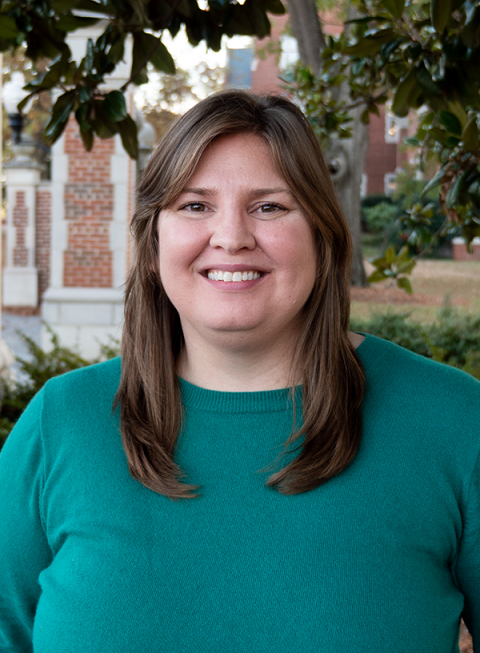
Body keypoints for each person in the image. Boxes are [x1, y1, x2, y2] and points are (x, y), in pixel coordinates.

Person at [0, 90, 479, 653]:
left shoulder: (453, 422)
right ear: (154, 240)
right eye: (195, 205)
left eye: (269, 206)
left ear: (323, 236)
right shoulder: (61, 425)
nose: (230, 237)